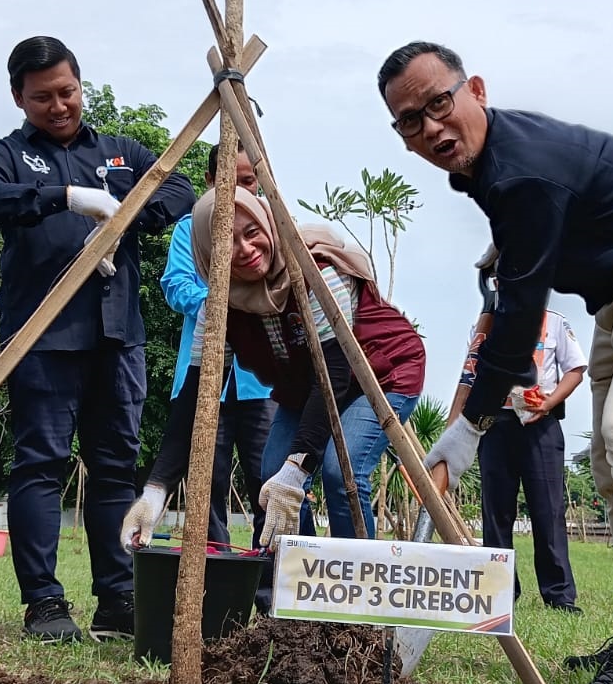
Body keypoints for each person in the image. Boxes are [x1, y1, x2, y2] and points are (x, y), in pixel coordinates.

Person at [379, 41, 613, 684]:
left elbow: (519, 327)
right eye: (410, 120)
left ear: (474, 89)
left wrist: (467, 426)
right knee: (608, 459)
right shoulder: (494, 167)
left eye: (439, 103)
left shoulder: (520, 173)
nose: (431, 127)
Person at [0, 36, 194, 643]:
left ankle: (117, 597)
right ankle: (43, 602)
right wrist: (63, 198)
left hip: (118, 335)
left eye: (67, 92)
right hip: (41, 336)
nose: (59, 105)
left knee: (116, 469)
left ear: (80, 85)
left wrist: (120, 216)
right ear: (19, 97)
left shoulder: (121, 152)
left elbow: (178, 189)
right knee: (40, 465)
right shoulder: (5, 154)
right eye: (42, 97)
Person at [121, 187, 425, 554]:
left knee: (338, 471)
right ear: (208, 253)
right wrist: (154, 493)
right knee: (271, 475)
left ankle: (356, 584)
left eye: (252, 233)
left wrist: (296, 472)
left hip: (380, 374)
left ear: (269, 225)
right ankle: (304, 582)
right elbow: (195, 395)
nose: (246, 250)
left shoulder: (315, 274)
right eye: (227, 241)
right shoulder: (218, 307)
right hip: (305, 387)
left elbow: (335, 375)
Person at [450, 245, 586, 612]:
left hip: (541, 429)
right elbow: (472, 374)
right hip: (496, 425)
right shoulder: (484, 325)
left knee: (548, 511)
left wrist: (551, 400)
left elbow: (575, 369)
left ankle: (559, 596)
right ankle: (499, 592)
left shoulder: (555, 322)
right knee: (496, 511)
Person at [159, 144, 275, 547]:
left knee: (268, 477)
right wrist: (218, 301)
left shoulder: (271, 228)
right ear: (210, 181)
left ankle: (268, 582)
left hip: (262, 379)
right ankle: (211, 572)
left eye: (248, 181)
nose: (240, 190)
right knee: (207, 477)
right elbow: (175, 285)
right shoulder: (189, 229)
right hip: (204, 374)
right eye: (230, 181)